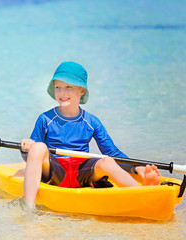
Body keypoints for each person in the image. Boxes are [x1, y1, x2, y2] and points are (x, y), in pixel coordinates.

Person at [20, 61, 160, 209]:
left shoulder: (91, 122)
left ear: (82, 91)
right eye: (58, 87)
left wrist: (135, 168)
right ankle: (28, 207)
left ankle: (143, 193)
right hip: (56, 172)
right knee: (38, 146)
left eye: (69, 87)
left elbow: (112, 152)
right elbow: (32, 157)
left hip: (82, 173)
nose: (62, 92)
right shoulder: (45, 119)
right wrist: (26, 147)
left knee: (107, 161)